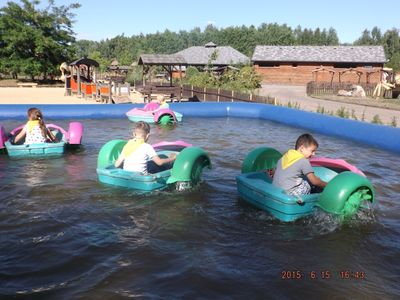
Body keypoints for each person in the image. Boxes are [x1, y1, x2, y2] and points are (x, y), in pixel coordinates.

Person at [272, 133, 327, 199]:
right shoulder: (303, 161)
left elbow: (275, 172)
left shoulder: (284, 157)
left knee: (302, 178)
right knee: (307, 184)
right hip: (288, 194)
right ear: (302, 148)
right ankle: (309, 199)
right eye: (312, 151)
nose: (314, 154)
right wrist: (327, 185)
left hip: (275, 190)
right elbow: (314, 181)